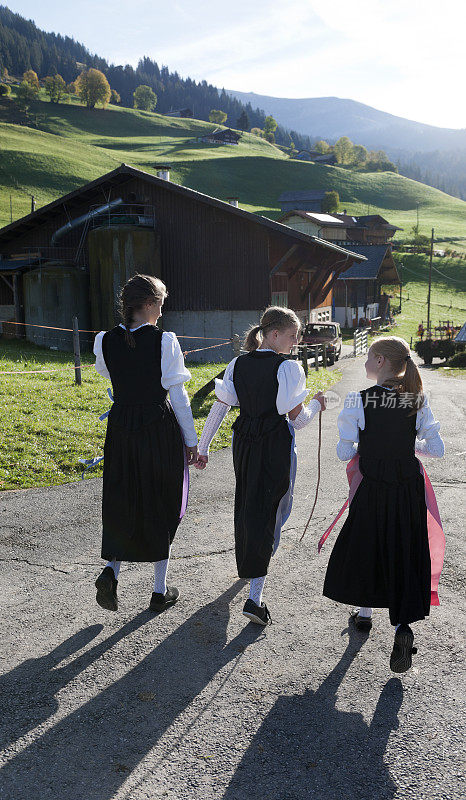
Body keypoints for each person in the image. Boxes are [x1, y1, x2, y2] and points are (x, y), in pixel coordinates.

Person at [195, 306, 326, 625]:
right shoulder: (289, 369)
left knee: (250, 505)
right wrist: (318, 405)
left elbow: (221, 406)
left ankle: (251, 569)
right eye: (293, 336)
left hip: (244, 442)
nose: (296, 342)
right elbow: (299, 421)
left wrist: (204, 445)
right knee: (275, 511)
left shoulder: (237, 363)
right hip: (275, 444)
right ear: (275, 334)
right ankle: (255, 596)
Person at [323, 336, 445, 673]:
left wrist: (369, 446)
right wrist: (406, 445)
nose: (364, 361)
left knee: (368, 545)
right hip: (407, 488)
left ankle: (364, 615)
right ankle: (399, 627)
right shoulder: (416, 400)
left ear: (379, 361)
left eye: (367, 356)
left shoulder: (358, 400)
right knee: (401, 549)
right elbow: (437, 449)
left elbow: (345, 451)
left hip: (373, 487)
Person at [93, 274, 198, 613]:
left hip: (121, 426)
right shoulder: (165, 341)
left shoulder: (104, 341)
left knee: (123, 497)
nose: (163, 311)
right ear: (150, 304)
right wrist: (191, 440)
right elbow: (178, 396)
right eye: (161, 304)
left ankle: (111, 571)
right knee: (162, 500)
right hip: (157, 425)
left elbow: (110, 376)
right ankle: (158, 589)